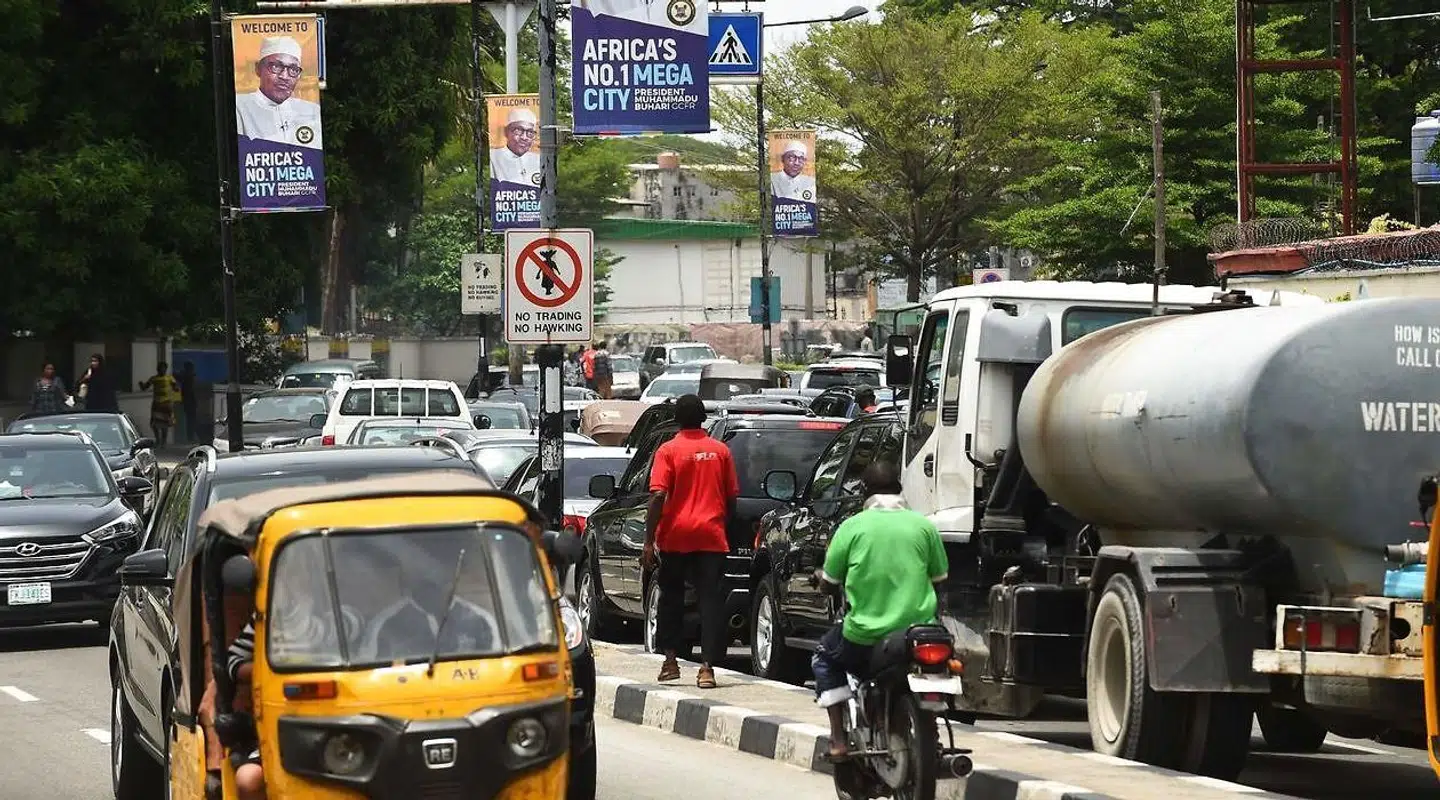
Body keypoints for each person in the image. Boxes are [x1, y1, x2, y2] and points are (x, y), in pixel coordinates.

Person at [811, 460, 948, 760]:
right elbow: (940, 579)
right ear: (899, 488)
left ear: (865, 493)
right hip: (920, 633)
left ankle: (837, 739)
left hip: (865, 636)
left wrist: (822, 579)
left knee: (824, 656)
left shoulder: (852, 527)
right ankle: (929, 734)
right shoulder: (923, 525)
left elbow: (830, 582)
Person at [643, 394, 738, 689]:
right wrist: (723, 525)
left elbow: (658, 495)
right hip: (711, 535)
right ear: (703, 419)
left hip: (675, 535)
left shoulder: (668, 450)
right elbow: (732, 496)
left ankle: (671, 661)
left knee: (671, 599)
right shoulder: (720, 451)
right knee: (711, 601)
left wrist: (649, 540)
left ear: (676, 420)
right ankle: (707, 668)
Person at [235, 36, 323, 149]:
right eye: (276, 66)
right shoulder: (240, 106)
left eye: (293, 70)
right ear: (258, 69)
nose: (284, 76)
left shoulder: (311, 110)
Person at [489, 107, 541, 187]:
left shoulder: (539, 159)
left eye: (530, 133)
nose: (524, 137)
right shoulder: (493, 157)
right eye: (518, 131)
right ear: (506, 132)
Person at [140, 362, 180, 447]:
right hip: (157, 403)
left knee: (165, 424)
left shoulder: (169, 378)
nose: (162, 370)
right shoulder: (154, 378)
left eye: (163, 368)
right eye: (160, 368)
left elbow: (176, 388)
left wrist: (176, 388)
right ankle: (158, 440)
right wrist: (141, 385)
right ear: (157, 369)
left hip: (166, 403)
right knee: (155, 424)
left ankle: (163, 442)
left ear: (166, 369)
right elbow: (145, 387)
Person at [176, 362, 198, 443]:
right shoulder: (190, 376)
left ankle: (190, 437)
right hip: (190, 401)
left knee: (190, 420)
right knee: (191, 420)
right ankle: (191, 437)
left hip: (189, 400)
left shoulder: (188, 376)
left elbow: (178, 376)